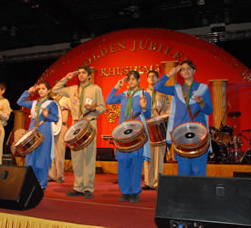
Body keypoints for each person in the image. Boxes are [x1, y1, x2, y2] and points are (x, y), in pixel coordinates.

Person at [52, 66, 106, 199]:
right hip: (75, 125)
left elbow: (102, 108)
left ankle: (88, 188)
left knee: (88, 157)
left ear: (89, 76)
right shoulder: (72, 90)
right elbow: (55, 90)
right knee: (76, 157)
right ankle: (78, 187)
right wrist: (67, 77)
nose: (80, 75)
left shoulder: (95, 89)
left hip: (89, 123)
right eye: (79, 73)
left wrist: (93, 108)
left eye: (83, 73)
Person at [154, 60, 213, 176]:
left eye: (189, 68)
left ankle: (199, 193)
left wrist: (201, 103)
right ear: (180, 73)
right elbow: (157, 86)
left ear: (194, 71)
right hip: (181, 134)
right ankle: (186, 194)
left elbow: (209, 111)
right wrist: (170, 74)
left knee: (199, 169)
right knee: (183, 170)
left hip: (198, 134)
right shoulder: (176, 89)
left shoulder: (203, 88)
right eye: (183, 69)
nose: (186, 71)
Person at [106, 70, 151, 202]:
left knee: (136, 162)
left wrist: (143, 108)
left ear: (138, 81)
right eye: (128, 79)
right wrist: (116, 86)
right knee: (123, 161)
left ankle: (135, 192)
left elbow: (148, 115)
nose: (130, 81)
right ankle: (125, 191)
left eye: (133, 79)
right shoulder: (124, 95)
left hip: (136, 132)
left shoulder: (144, 95)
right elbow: (108, 100)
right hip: (122, 131)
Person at [17, 81, 59, 189]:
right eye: (39, 89)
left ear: (49, 90)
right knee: (31, 156)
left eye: (43, 89)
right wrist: (28, 92)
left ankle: (42, 183)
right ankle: (32, 181)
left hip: (44, 130)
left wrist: (47, 115)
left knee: (43, 157)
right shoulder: (34, 103)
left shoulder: (52, 103)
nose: (40, 91)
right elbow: (20, 102)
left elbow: (56, 118)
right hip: (33, 130)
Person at [143, 70, 169, 190]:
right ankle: (148, 182)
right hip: (147, 127)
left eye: (154, 76)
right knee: (148, 155)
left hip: (159, 127)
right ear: (147, 79)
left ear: (158, 79)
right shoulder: (143, 93)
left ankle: (158, 182)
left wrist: (162, 116)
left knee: (159, 155)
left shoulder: (163, 93)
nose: (151, 78)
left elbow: (168, 109)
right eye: (149, 76)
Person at [48, 93, 71, 183]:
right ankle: (51, 175)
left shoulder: (66, 99)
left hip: (61, 127)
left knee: (60, 152)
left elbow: (74, 109)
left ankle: (60, 176)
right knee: (50, 152)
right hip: (51, 127)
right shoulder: (51, 99)